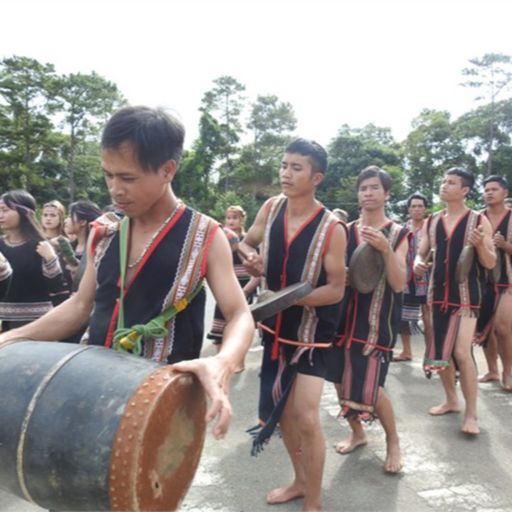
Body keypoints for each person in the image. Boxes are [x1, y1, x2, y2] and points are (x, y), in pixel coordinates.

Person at [0, 106, 255, 439]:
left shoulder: (205, 235)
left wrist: (223, 362)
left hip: (160, 396)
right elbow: (80, 306)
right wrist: (10, 338)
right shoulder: (104, 232)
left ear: (167, 170)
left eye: (128, 178)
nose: (114, 189)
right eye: (109, 175)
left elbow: (239, 314)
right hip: (93, 385)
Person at [240, 138, 346, 512]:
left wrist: (292, 297)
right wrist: (252, 259)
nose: (285, 173)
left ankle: (314, 499)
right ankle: (300, 481)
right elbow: (245, 243)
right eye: (284, 165)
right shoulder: (270, 208)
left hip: (312, 337)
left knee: (305, 415)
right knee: (282, 414)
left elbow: (335, 289)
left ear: (316, 177)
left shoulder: (333, 228)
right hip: (274, 330)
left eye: (296, 167)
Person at [327, 166, 408, 474]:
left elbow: (400, 283)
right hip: (341, 317)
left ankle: (393, 441)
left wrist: (386, 249)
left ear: (387, 194)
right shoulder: (344, 230)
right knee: (337, 378)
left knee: (373, 386)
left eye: (375, 188)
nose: (368, 193)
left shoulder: (399, 233)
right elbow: (331, 272)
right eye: (364, 188)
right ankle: (358, 434)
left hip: (376, 321)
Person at [414, 167, 495, 435]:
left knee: (461, 352)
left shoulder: (479, 220)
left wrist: (481, 244)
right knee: (442, 354)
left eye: (452, 183)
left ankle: (471, 413)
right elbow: (421, 252)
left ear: (465, 190)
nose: (445, 186)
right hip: (436, 295)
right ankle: (451, 400)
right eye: (444, 181)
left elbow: (491, 262)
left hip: (466, 296)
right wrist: (417, 264)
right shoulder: (432, 220)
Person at [0, 190, 70, 331]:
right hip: (3, 323)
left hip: (37, 323)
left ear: (23, 212)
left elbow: (57, 288)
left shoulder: (41, 246)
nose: (0, 215)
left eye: (5, 210)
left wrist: (51, 258)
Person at [207, 205, 259, 372]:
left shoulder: (247, 243)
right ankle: (220, 360)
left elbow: (258, 272)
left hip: (244, 287)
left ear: (242, 220)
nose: (231, 221)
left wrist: (246, 291)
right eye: (228, 218)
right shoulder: (222, 239)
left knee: (239, 322)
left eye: (234, 218)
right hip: (224, 286)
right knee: (219, 324)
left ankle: (238, 361)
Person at [475, 176, 512, 391]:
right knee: (486, 329)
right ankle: (492, 370)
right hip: (482, 282)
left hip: (508, 281)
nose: (489, 193)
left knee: (503, 329)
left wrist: (506, 246)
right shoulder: (478, 219)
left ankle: (508, 370)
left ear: (504, 192)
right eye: (486, 189)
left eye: (494, 189)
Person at [394, 192, 433, 362]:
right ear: (409, 209)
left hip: (427, 279)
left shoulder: (431, 228)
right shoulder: (401, 229)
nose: (417, 209)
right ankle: (406, 351)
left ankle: (431, 354)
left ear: (425, 209)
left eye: (420, 206)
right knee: (403, 317)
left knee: (428, 317)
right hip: (405, 279)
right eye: (413, 206)